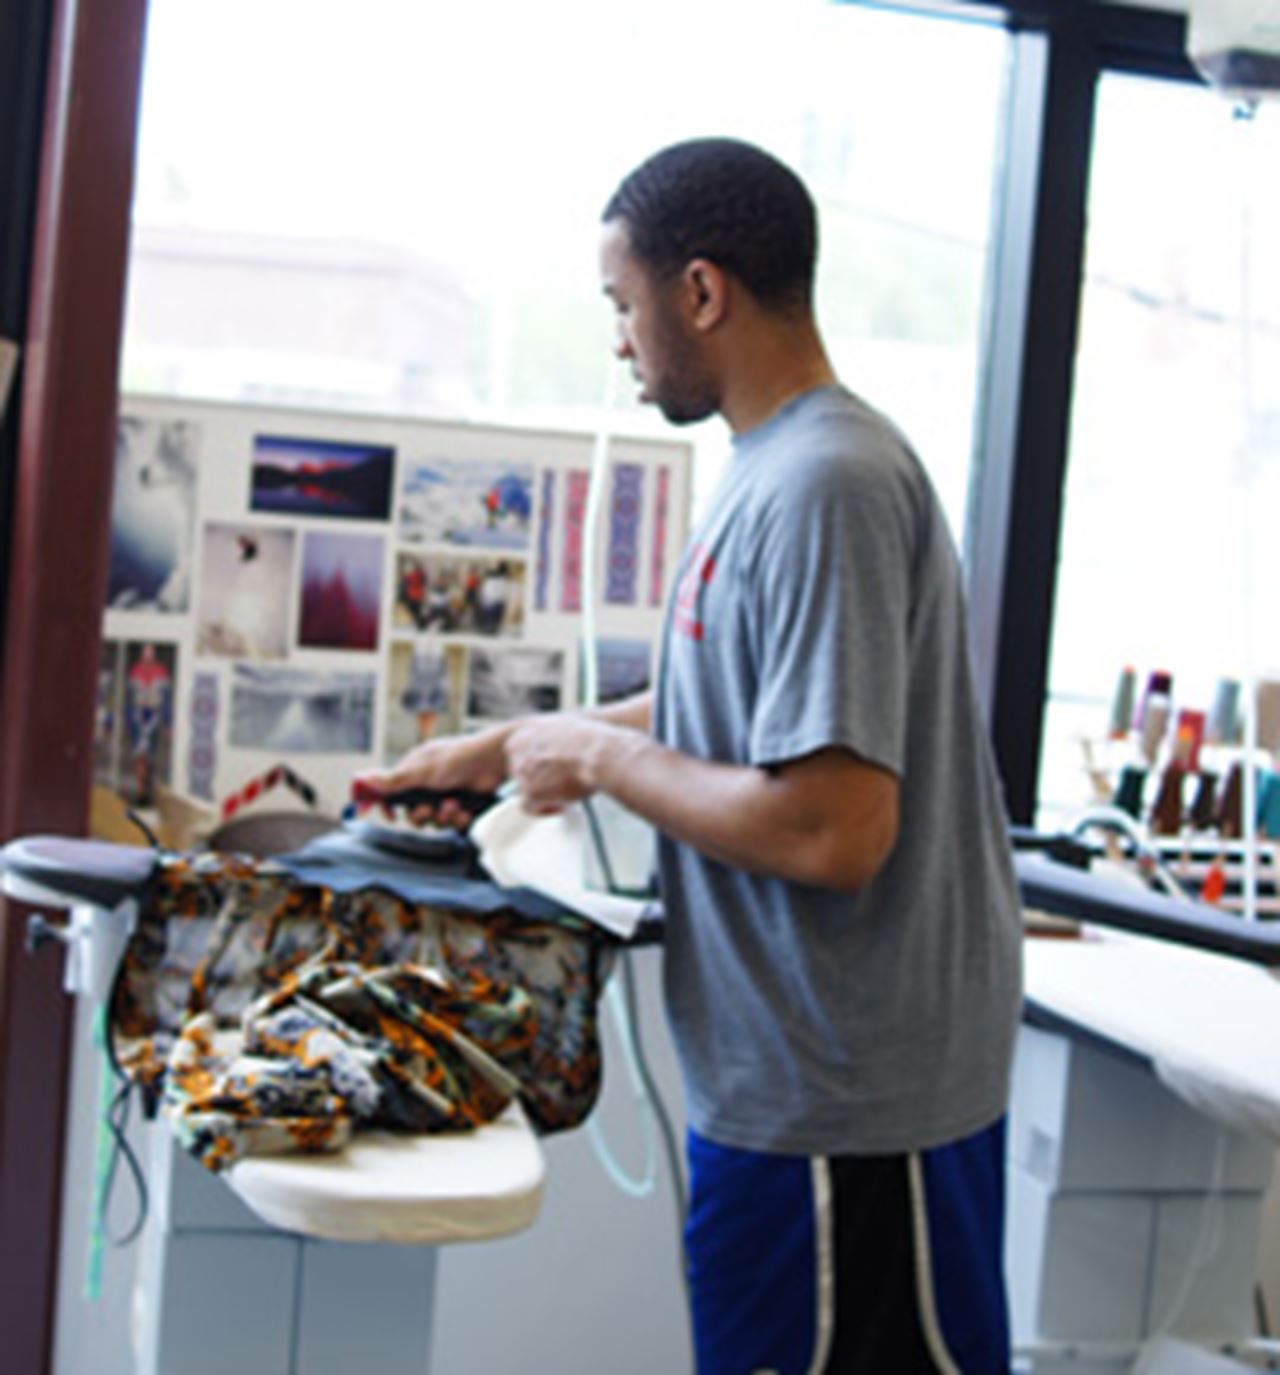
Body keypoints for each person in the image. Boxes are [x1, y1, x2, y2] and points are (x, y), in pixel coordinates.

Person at [354, 138, 1023, 1375]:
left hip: (850, 1118)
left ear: (700, 292)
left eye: (623, 303)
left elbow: (832, 829)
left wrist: (595, 765)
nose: (619, 340)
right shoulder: (773, 470)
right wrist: (507, 747)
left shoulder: (828, 482)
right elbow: (728, 704)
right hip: (779, 1093)